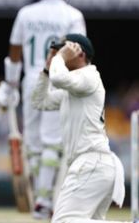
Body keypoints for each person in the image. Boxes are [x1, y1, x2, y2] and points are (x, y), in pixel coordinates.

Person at [0, 0, 87, 219]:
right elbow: (79, 54)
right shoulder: (73, 15)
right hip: (58, 79)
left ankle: (39, 195)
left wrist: (10, 85)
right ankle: (44, 200)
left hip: (31, 80)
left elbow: (14, 53)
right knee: (51, 142)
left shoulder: (26, 13)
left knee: (33, 143)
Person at [31, 34, 128, 223]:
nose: (60, 52)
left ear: (80, 53)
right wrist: (46, 68)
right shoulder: (73, 89)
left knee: (63, 221)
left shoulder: (89, 76)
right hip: (93, 164)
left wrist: (59, 58)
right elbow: (39, 100)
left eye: (65, 48)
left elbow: (58, 79)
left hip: (92, 162)